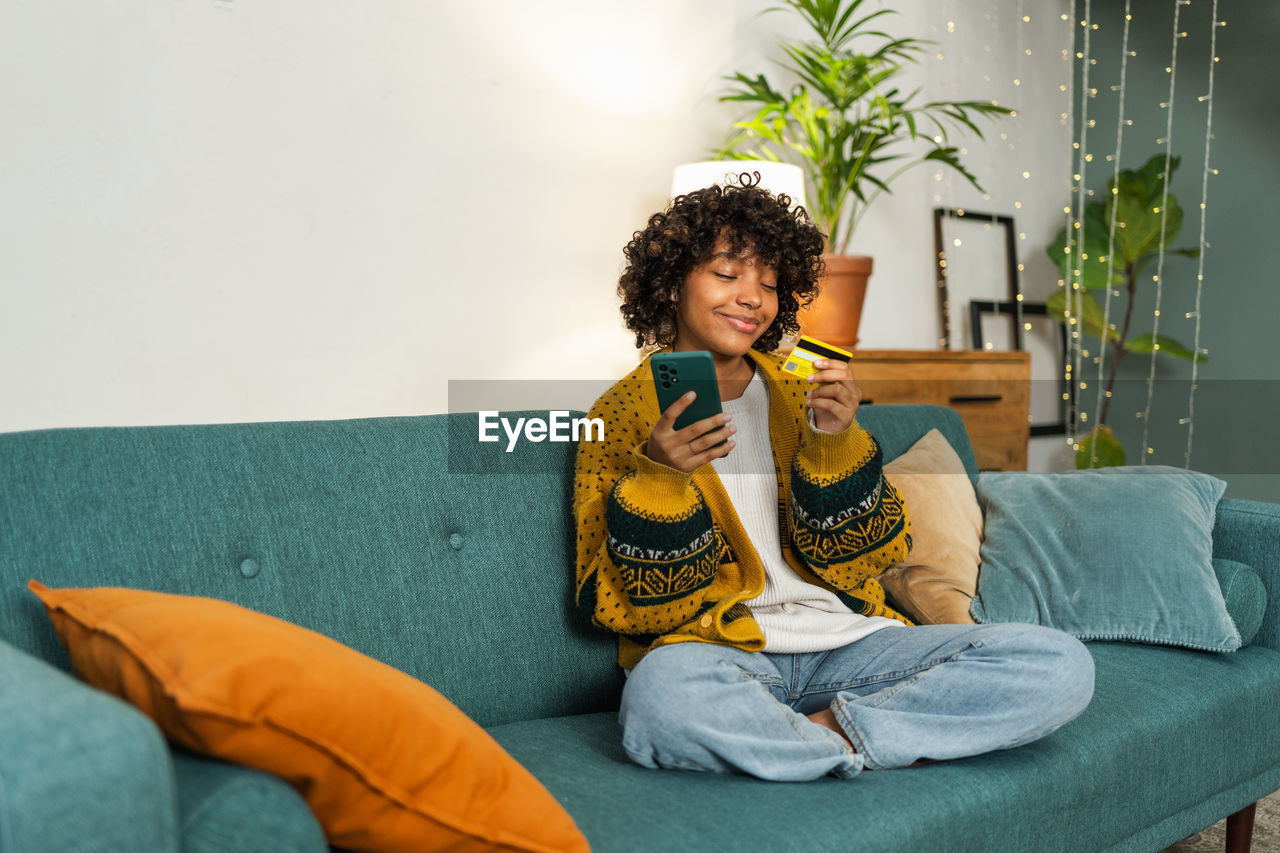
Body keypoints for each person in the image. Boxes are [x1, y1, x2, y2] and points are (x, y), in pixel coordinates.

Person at [572, 174, 1094, 781]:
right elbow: (620, 606)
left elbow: (864, 560)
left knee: (1059, 664)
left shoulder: (802, 393)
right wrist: (660, 479)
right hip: (719, 655)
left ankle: (827, 736)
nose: (752, 297)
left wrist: (833, 443)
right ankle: (871, 739)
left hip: (850, 646)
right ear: (671, 282)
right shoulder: (618, 417)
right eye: (727, 274)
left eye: (769, 283)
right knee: (659, 701)